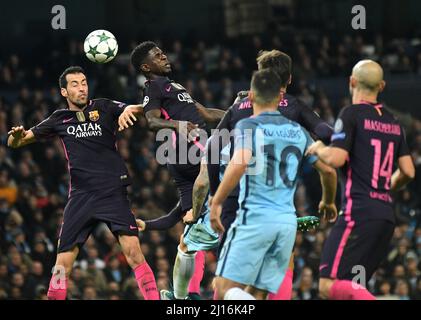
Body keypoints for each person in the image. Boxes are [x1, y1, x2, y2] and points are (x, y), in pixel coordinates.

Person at [7, 66, 159, 300]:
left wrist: (132, 109)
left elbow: (132, 108)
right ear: (64, 92)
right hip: (81, 197)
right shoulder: (59, 119)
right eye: (75, 84)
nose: (82, 88)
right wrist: (16, 137)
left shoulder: (104, 107)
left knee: (135, 254)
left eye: (84, 82)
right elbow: (17, 142)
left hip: (112, 194)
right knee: (62, 265)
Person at [206, 50, 335, 300]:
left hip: (246, 210)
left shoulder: (241, 116)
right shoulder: (298, 127)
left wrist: (215, 198)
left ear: (253, 92)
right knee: (264, 289)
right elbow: (328, 164)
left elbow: (219, 151)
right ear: (286, 85)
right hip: (285, 218)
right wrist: (329, 200)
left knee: (223, 289)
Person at [307, 60, 416, 300]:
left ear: (352, 82)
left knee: (327, 284)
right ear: (382, 85)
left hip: (359, 213)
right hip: (386, 216)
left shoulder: (351, 113)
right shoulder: (394, 123)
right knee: (351, 287)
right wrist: (385, 188)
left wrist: (318, 148)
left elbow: (336, 158)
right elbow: (408, 171)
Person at [129, 41, 225, 300]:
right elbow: (150, 120)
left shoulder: (176, 86)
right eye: (157, 56)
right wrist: (177, 125)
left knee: (191, 222)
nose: (164, 56)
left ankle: (184, 295)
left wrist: (235, 114)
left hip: (184, 161)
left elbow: (204, 112)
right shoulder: (153, 86)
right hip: (189, 149)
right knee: (238, 170)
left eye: (163, 52)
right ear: (146, 67)